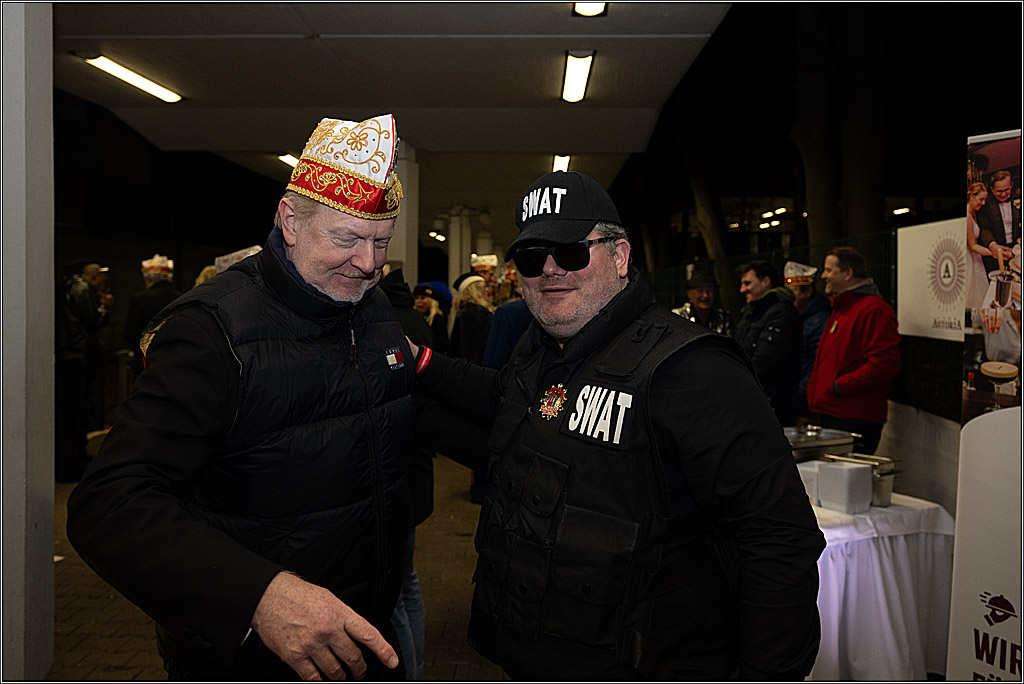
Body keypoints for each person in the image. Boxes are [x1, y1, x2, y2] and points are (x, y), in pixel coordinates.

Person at [407, 170, 825, 680]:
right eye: (533, 259)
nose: (551, 270)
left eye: (573, 252)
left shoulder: (693, 370)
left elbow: (780, 536)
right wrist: (418, 362)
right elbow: (501, 402)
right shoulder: (541, 349)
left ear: (620, 256)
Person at [66, 114, 412, 681]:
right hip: (248, 658)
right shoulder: (211, 330)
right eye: (347, 238)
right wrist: (259, 596)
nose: (369, 262)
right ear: (290, 220)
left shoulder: (364, 304)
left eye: (380, 241)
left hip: (361, 640)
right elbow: (109, 504)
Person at [379, 265, 434, 681]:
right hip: (414, 468)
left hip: (389, 477)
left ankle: (409, 671)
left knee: (392, 596)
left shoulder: (380, 323)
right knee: (408, 583)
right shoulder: (417, 320)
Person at [806, 246, 901, 455]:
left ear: (848, 273)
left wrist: (839, 386)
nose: (824, 276)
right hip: (836, 412)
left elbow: (884, 363)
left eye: (829, 270)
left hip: (854, 418)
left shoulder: (872, 309)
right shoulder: (843, 308)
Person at [55, 260, 112, 481]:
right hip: (78, 355)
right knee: (76, 407)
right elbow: (94, 320)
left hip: (66, 354)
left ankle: (72, 455)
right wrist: (104, 305)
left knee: (69, 408)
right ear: (93, 277)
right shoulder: (82, 288)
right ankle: (72, 461)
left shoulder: (65, 287)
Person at [733, 260, 803, 426]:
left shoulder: (781, 314)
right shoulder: (751, 314)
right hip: (755, 400)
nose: (742, 290)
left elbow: (766, 363)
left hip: (773, 406)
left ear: (765, 282)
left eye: (747, 283)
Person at [783, 260, 831, 421]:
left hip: (805, 400)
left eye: (794, 292)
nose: (790, 297)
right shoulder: (794, 315)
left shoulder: (820, 320)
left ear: (807, 292)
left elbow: (820, 362)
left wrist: (799, 390)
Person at [122, 254, 181, 382]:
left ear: (149, 279)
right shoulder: (181, 298)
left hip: (147, 360)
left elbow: (130, 332)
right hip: (176, 358)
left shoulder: (140, 299)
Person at [977, 170, 1021, 274]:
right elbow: (984, 229)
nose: (1003, 194)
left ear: (1011, 185)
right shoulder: (985, 204)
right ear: (992, 189)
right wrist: (993, 245)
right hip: (994, 254)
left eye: (1007, 190)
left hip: (1016, 252)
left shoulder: (1019, 199)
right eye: (999, 191)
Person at [966, 182, 999, 310]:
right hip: (969, 259)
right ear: (972, 196)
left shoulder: (973, 213)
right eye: (981, 199)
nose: (983, 203)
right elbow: (973, 246)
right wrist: (994, 253)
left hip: (975, 258)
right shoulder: (967, 216)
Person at [448, 273, 493, 365]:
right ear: (473, 290)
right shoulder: (475, 312)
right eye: (482, 287)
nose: (487, 290)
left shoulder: (464, 311)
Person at [671, 270, 733, 335]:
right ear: (689, 293)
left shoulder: (723, 318)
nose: (705, 295)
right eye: (700, 291)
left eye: (709, 290)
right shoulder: (677, 317)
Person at [413, 282, 450, 356]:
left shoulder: (437, 319)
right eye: (417, 298)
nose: (419, 301)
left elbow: (442, 344)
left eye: (423, 298)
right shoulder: (414, 318)